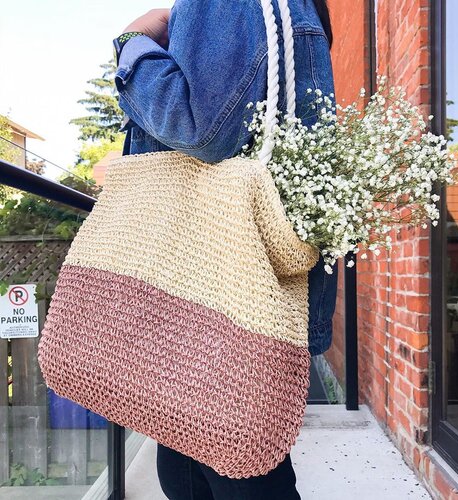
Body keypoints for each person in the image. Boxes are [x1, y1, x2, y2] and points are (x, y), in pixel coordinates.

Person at [112, 1, 337, 498]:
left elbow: (200, 127)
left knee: (238, 465)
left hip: (213, 288)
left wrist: (132, 44)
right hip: (223, 285)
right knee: (190, 459)